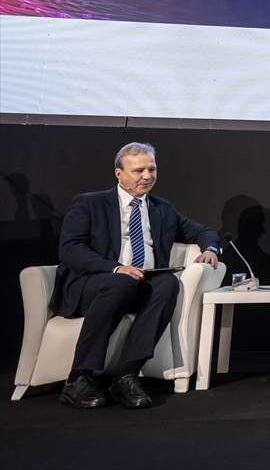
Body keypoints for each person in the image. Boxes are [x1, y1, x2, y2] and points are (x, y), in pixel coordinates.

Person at [51, 143, 221, 408]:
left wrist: (210, 249)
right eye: (139, 170)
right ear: (119, 174)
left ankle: (127, 376)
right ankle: (77, 378)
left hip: (139, 284)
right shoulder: (89, 203)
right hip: (93, 284)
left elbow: (203, 231)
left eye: (152, 169)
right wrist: (116, 268)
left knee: (167, 283)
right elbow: (71, 249)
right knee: (121, 282)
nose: (147, 176)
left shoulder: (162, 208)